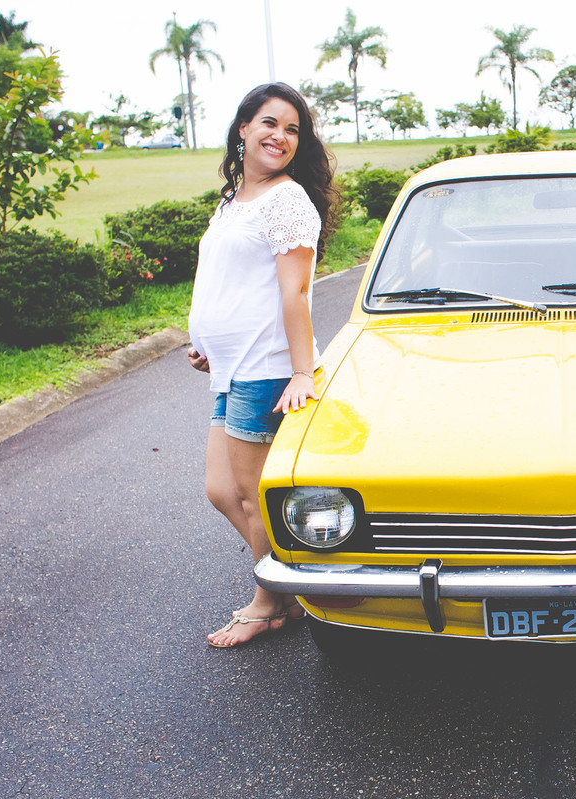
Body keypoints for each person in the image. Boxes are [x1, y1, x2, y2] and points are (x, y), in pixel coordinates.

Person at [187, 82, 338, 648]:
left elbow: (295, 293)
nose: (281, 136)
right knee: (222, 491)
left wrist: (302, 372)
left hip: (266, 367)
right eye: (270, 123)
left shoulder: (287, 201)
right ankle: (288, 589)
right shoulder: (234, 200)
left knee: (253, 497)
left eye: (292, 129)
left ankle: (270, 600)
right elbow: (227, 279)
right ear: (244, 128)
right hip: (230, 367)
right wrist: (206, 342)